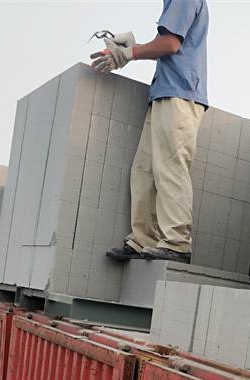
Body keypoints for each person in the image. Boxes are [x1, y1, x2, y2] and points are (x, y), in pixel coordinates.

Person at [92, 0, 209, 265]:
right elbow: (167, 41)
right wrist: (133, 46)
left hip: (179, 95)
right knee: (144, 170)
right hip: (163, 94)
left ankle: (177, 243)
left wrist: (130, 52)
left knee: (170, 167)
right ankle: (142, 239)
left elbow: (170, 44)